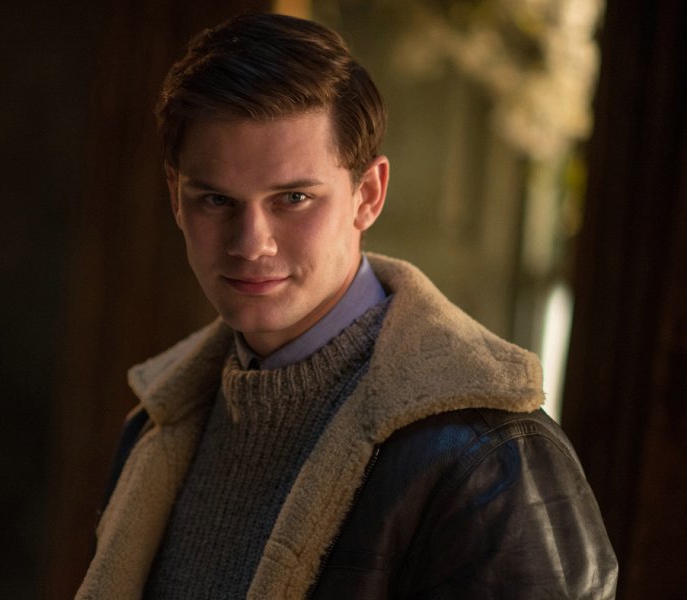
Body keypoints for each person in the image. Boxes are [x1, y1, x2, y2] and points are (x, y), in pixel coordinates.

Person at [77, 12, 617, 599]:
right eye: (216, 200)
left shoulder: (488, 456)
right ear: (176, 198)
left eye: (293, 197)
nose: (251, 243)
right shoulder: (156, 427)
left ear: (369, 195)